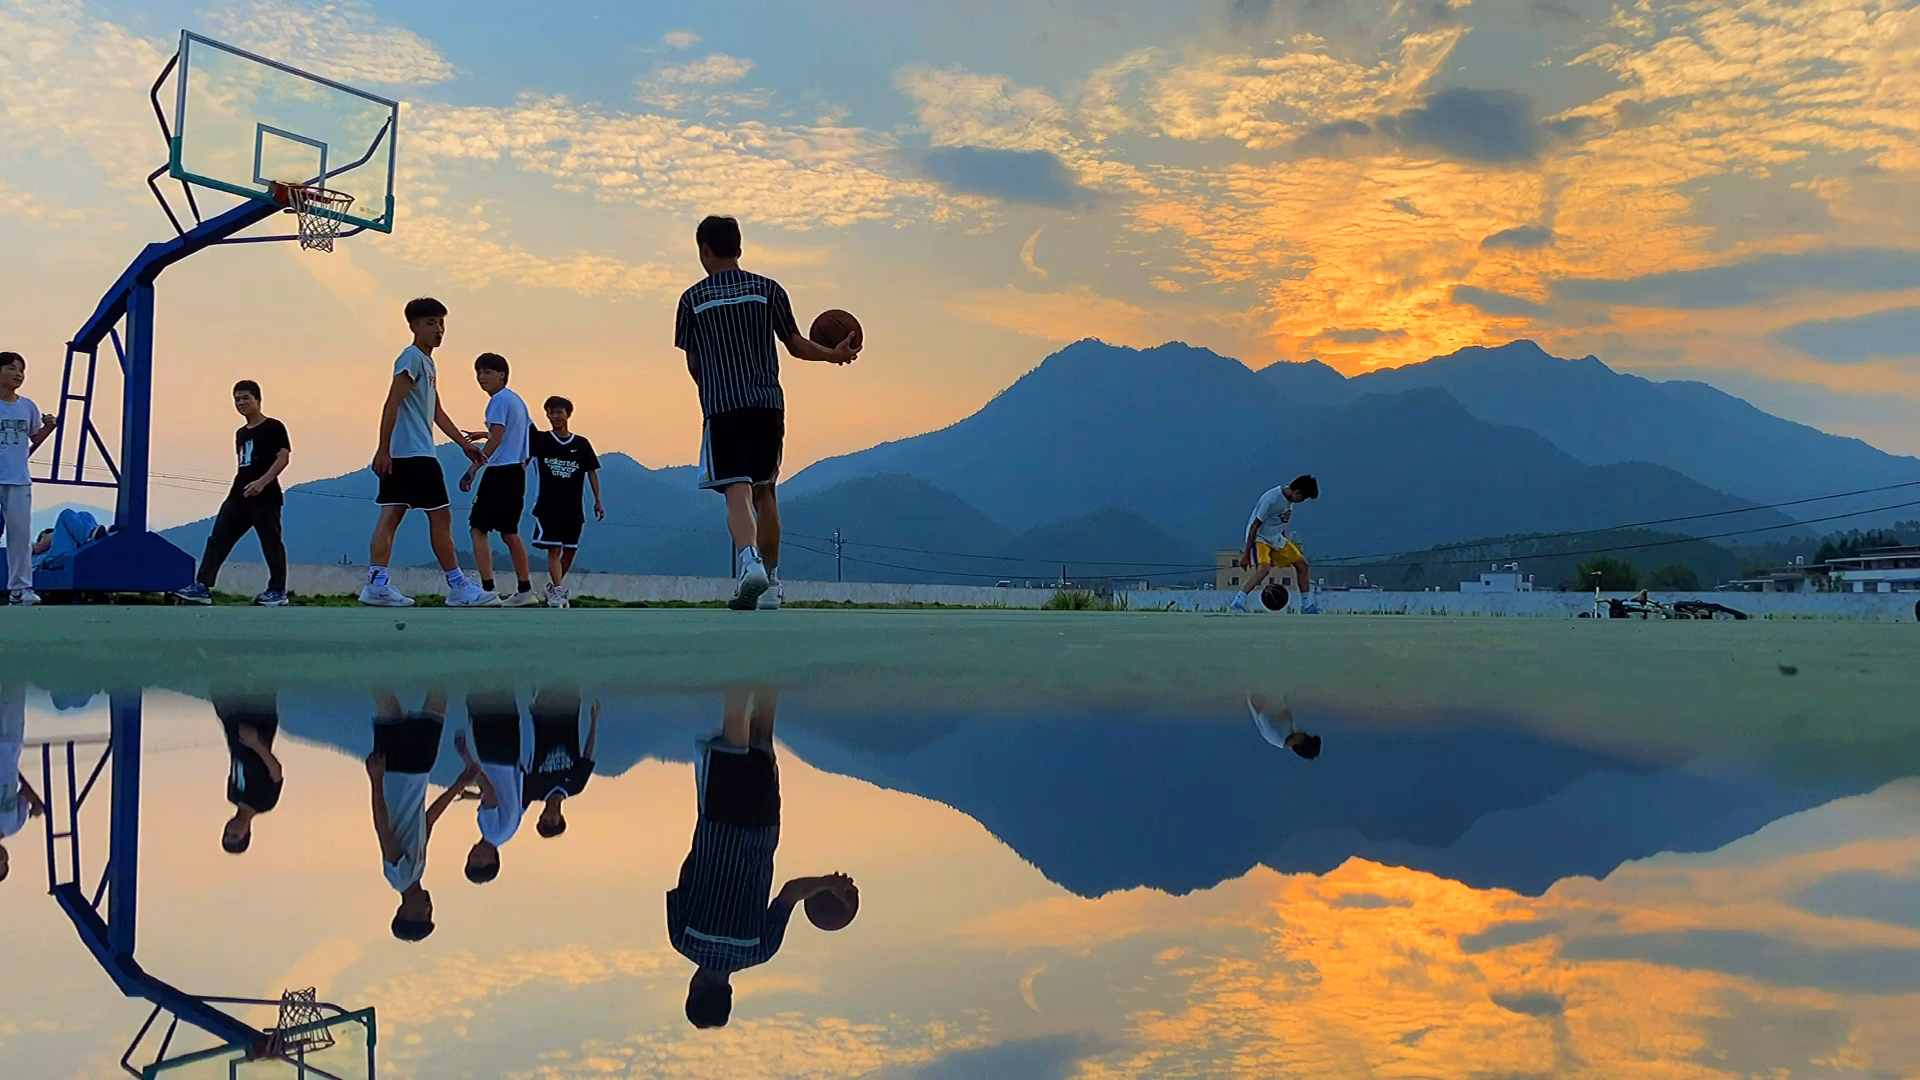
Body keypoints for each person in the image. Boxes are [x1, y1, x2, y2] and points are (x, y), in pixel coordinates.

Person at [675, 216, 860, 610]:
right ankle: (773, 584)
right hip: (767, 405)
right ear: (739, 249)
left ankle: (749, 562)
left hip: (724, 405)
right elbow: (795, 344)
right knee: (766, 491)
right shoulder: (768, 290)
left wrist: (710, 387)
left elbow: (693, 362)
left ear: (703, 251)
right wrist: (833, 354)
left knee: (735, 490)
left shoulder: (692, 299)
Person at [669, 686, 857, 1029]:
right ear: (693, 988)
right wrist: (705, 842)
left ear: (729, 994)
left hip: (762, 828)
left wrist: (829, 883)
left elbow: (790, 893)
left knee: (760, 740)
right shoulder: (683, 938)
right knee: (733, 733)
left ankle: (771, 666)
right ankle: (744, 658)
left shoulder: (760, 950)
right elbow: (687, 874)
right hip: (718, 826)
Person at [360, 298, 495, 609]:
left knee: (392, 514)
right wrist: (383, 449)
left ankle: (376, 584)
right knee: (440, 516)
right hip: (415, 454)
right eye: (431, 323)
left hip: (409, 453)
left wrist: (465, 445)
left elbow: (435, 410)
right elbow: (391, 403)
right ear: (413, 326)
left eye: (441, 323)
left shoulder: (427, 362)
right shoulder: (410, 358)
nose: (439, 329)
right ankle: (458, 586)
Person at [366, 687, 478, 941]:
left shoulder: (399, 876)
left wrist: (375, 780)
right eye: (429, 915)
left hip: (399, 771)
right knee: (392, 697)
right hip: (415, 770)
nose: (428, 909)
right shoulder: (416, 871)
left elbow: (383, 828)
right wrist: (458, 786)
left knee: (433, 695)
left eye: (420, 915)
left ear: (402, 911)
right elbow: (426, 821)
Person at [175, 381, 293, 606]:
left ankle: (277, 591)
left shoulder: (274, 427)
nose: (241, 403)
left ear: (258, 399)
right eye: (237, 399)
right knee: (218, 537)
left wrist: (262, 482)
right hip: (239, 495)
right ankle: (202, 586)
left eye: (245, 398)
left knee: (271, 542)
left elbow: (283, 457)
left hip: (265, 496)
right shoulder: (240, 433)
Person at [458, 354, 539, 607]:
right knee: (509, 532)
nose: (481, 378)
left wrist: (473, 468)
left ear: (501, 374)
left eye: (487, 372)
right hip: (515, 473)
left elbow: (497, 439)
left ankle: (488, 590)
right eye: (479, 373)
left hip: (499, 472)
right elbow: (527, 435)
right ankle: (525, 589)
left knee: (478, 528)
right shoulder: (517, 400)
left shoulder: (498, 401)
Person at [527, 396, 603, 609]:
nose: (555, 416)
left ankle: (554, 587)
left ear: (568, 414)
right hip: (548, 505)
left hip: (573, 507)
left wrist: (597, 501)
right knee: (554, 548)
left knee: (570, 549)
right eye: (551, 413)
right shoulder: (541, 440)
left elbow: (592, 472)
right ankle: (559, 591)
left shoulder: (581, 444)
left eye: (559, 412)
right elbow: (513, 439)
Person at [1, 352, 58, 606]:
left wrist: (49, 427)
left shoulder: (27, 406)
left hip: (18, 479)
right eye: (12, 368)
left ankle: (20, 589)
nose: (18, 374)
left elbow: (34, 438)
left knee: (21, 536)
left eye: (22, 370)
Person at [455, 687, 524, 884]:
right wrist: (467, 759)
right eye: (476, 860)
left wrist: (474, 796)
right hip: (495, 756)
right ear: (491, 860)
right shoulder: (490, 831)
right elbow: (491, 793)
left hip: (510, 757)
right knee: (481, 700)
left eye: (470, 859)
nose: (472, 854)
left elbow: (507, 797)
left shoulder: (508, 832)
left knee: (504, 700)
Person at [1230, 474, 1320, 615]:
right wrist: (1246, 554)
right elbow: (1254, 525)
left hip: (1275, 538)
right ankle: (1237, 602)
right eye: (1304, 497)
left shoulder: (1289, 502)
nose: (1302, 501)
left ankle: (1307, 606)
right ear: (1297, 492)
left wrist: (1280, 548)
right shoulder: (1271, 499)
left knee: (1303, 565)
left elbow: (1281, 524)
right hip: (1259, 538)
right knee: (1264, 569)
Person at [215, 689, 285, 854]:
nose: (231, 829)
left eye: (227, 833)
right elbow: (276, 771)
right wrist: (256, 743)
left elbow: (237, 761)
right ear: (246, 833)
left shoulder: (232, 795)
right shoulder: (264, 803)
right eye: (235, 835)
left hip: (234, 726)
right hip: (259, 727)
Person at [524, 687, 598, 839]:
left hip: (543, 716)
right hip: (569, 712)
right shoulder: (575, 786)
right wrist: (594, 722)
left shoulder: (533, 790)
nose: (550, 817)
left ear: (540, 817)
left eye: (546, 821)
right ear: (561, 818)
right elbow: (587, 755)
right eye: (553, 821)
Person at [1, 683, 47, 884]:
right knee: (14, 692)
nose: (2, 858)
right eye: (4, 863)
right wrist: (37, 804)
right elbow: (25, 792)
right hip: (11, 746)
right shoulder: (14, 825)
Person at [1248, 694, 1321, 759]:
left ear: (1300, 742)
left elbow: (1260, 711)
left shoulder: (1275, 734)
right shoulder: (1290, 732)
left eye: (1306, 736)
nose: (1305, 733)